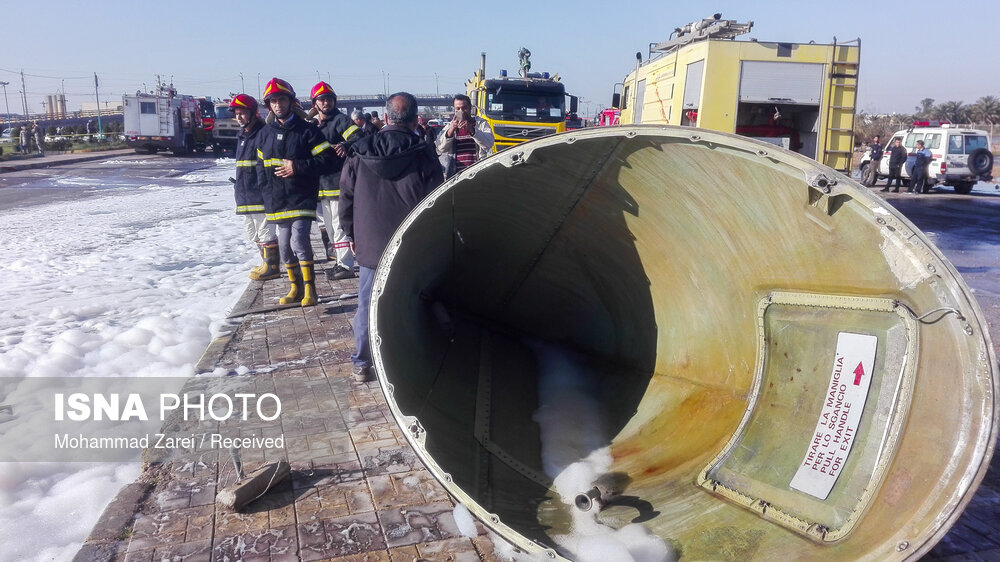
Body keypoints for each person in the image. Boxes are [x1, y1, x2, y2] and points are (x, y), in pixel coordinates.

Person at [339, 92, 443, 382]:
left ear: (385, 118)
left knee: (367, 304)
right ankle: (405, 361)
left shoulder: (358, 151)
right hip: (410, 245)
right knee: (411, 302)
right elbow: (437, 200)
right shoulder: (423, 153)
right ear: (414, 120)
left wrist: (351, 233)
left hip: (370, 245)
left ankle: (362, 363)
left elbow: (345, 197)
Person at [256, 77, 335, 307]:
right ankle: (295, 288)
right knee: (284, 249)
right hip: (277, 200)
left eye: (281, 99)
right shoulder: (265, 134)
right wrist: (265, 192)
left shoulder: (307, 131)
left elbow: (327, 161)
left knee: (299, 242)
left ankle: (311, 290)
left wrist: (297, 167)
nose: (278, 104)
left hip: (301, 196)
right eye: (273, 101)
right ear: (269, 105)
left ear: (291, 102)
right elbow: (260, 167)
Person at [308, 81, 361, 280]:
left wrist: (346, 145)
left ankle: (346, 266)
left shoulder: (340, 120)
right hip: (322, 186)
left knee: (339, 227)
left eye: (329, 99)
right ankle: (340, 262)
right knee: (330, 229)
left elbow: (359, 137)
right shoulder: (315, 125)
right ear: (315, 103)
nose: (326, 102)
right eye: (322, 99)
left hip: (339, 183)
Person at [230, 94, 280, 280]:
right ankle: (265, 262)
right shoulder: (242, 135)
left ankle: (273, 267)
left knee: (266, 232)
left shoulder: (263, 133)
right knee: (253, 234)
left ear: (253, 113)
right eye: (237, 114)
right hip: (244, 194)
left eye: (243, 113)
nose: (239, 117)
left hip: (260, 194)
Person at [436, 94, 494, 179]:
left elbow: (489, 144)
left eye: (464, 108)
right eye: (458, 109)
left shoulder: (481, 124)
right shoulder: (450, 126)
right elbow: (440, 148)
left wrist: (472, 130)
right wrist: (451, 131)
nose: (461, 111)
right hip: (455, 177)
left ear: (470, 108)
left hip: (477, 174)